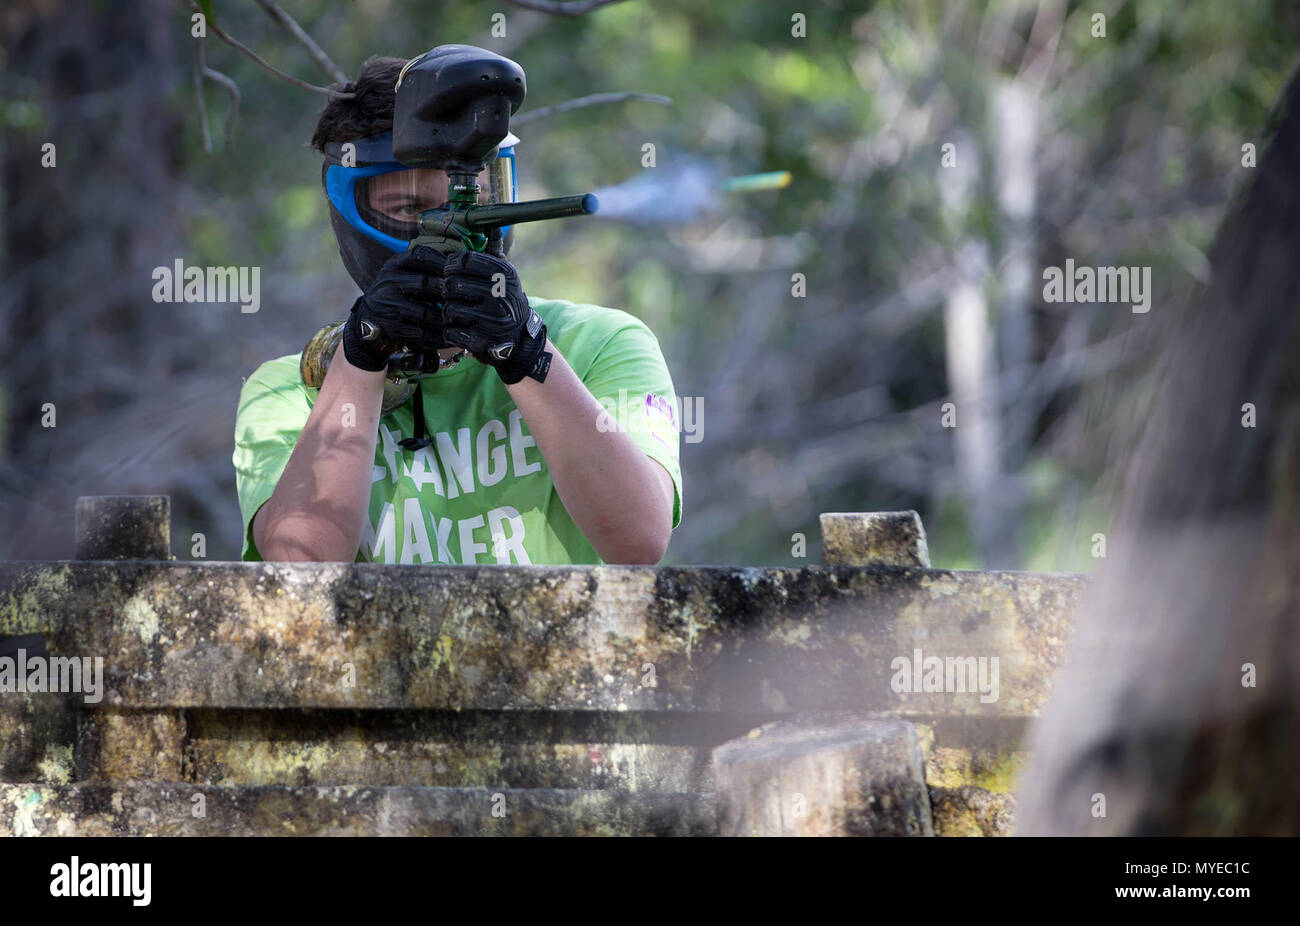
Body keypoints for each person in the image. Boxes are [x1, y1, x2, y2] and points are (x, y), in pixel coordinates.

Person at [233, 56, 682, 565]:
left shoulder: (599, 343)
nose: (448, 228)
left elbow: (638, 541)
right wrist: (361, 360)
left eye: (470, 200)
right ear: (349, 214)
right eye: (408, 208)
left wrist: (528, 355)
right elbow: (300, 570)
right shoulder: (289, 389)